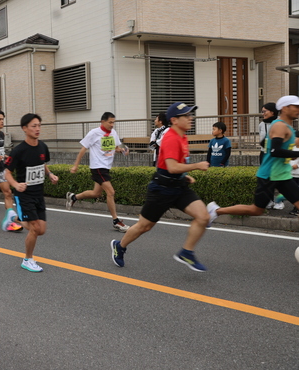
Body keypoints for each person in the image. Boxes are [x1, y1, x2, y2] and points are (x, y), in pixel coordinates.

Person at [111, 102, 211, 272]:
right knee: (145, 226)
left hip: (178, 187)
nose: (190, 118)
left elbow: (172, 165)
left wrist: (184, 176)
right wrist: (196, 166)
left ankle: (187, 252)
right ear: (174, 120)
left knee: (203, 217)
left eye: (190, 114)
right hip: (161, 189)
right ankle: (119, 246)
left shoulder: (183, 136)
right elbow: (172, 167)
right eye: (186, 116)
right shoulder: (171, 138)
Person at [208, 95, 299, 226]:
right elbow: (275, 151)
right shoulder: (280, 126)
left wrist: (292, 156)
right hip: (269, 175)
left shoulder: (287, 127)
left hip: (282, 174)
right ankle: (216, 210)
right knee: (256, 210)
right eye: (295, 106)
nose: (298, 109)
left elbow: (277, 150)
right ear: (284, 108)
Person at [4, 114, 58, 272]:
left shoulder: (43, 147)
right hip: (24, 195)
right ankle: (28, 259)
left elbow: (43, 164)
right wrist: (15, 184)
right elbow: (7, 172)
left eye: (39, 125)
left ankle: (13, 218)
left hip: (38, 194)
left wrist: (50, 175)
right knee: (34, 228)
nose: (37, 129)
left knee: (41, 230)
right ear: (24, 128)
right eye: (33, 126)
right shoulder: (18, 151)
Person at [66, 112, 130, 232]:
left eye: (113, 122)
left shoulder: (113, 133)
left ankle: (73, 197)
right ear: (102, 122)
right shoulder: (94, 133)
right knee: (110, 192)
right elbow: (83, 149)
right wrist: (75, 166)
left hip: (106, 167)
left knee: (96, 193)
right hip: (97, 167)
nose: (112, 125)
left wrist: (122, 150)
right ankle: (116, 221)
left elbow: (115, 148)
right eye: (110, 122)